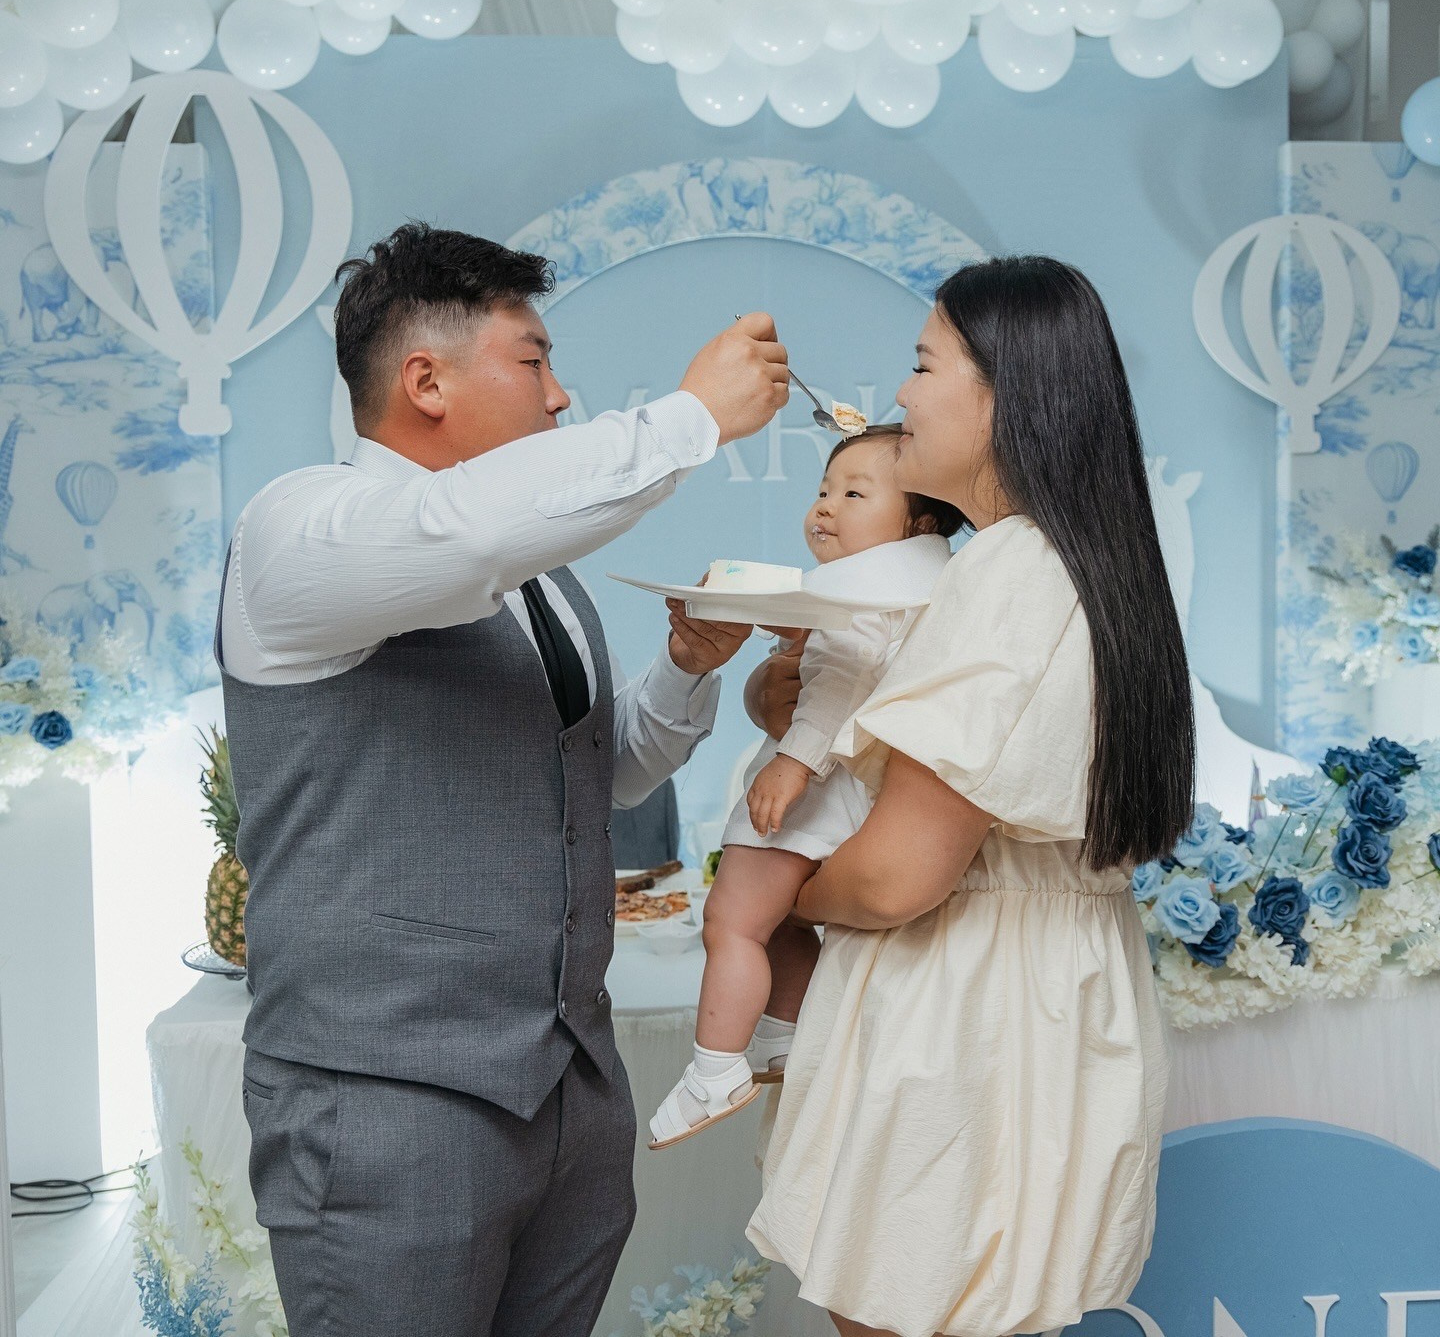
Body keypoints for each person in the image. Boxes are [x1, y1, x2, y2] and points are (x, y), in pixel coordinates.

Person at [216, 222, 791, 1337]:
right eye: (534, 360)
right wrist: (691, 417)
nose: (561, 394)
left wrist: (685, 666)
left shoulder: (542, 581)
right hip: (384, 1105)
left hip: (569, 1095)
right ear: (425, 381)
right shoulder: (296, 530)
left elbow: (596, 778)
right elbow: (460, 533)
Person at [744, 256, 1196, 1337]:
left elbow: (897, 873)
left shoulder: (1008, 569)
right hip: (1043, 998)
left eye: (922, 363)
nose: (900, 395)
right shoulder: (1088, 561)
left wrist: (780, 900)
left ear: (1006, 394)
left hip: (959, 1018)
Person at [647, 426, 959, 1150]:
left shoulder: (860, 602)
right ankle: (783, 1035)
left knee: (731, 922)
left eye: (854, 494)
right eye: (823, 490)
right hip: (844, 796)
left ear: (918, 524)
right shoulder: (902, 593)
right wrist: (793, 641)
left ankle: (713, 1068)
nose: (825, 506)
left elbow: (837, 687)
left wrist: (793, 762)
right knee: (781, 922)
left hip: (811, 790)